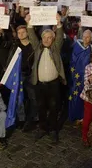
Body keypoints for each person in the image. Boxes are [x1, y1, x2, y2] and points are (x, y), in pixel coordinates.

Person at [26, 13, 66, 143]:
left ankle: (54, 129)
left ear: (53, 40)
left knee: (54, 107)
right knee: (40, 106)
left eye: (49, 38)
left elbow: (60, 36)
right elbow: (32, 36)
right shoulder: (38, 48)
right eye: (44, 37)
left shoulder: (55, 48)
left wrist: (59, 23)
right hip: (39, 84)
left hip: (53, 84)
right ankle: (43, 128)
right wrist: (29, 23)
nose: (47, 40)